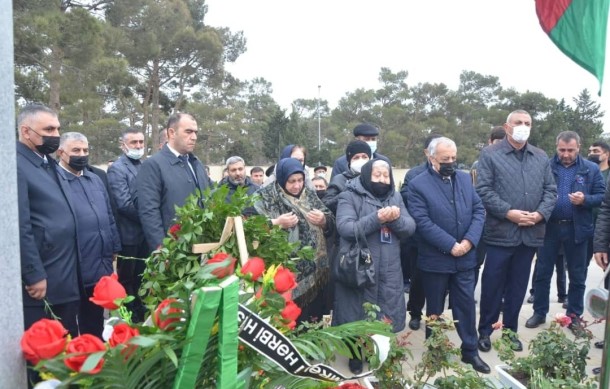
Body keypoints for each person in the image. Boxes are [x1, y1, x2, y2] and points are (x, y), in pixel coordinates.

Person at [476, 109, 557, 353]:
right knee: (492, 285)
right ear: (507, 126)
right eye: (518, 122)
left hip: (530, 234)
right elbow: (483, 190)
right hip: (501, 232)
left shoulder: (540, 156)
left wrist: (540, 214)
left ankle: (511, 331)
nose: (523, 126)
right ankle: (485, 331)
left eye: (527, 123)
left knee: (518, 287)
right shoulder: (490, 154)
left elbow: (550, 191)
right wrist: (508, 212)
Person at [407, 137, 489, 374]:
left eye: (454, 158)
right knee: (434, 310)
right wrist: (451, 245)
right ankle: (435, 352)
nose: (451, 162)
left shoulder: (464, 178)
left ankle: (470, 352)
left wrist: (469, 241)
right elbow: (422, 221)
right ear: (431, 158)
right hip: (436, 260)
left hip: (465, 258)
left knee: (465, 306)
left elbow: (478, 211)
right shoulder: (418, 184)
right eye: (445, 159)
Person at [333, 159, 416, 374]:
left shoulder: (395, 196)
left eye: (385, 175)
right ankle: (354, 354)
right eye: (377, 175)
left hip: (389, 269)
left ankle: (374, 351)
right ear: (367, 175)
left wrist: (395, 220)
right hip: (358, 267)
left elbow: (409, 227)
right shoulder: (349, 195)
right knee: (356, 311)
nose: (382, 179)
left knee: (384, 311)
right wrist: (377, 218)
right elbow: (346, 228)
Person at [526, 131, 604, 337]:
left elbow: (602, 196)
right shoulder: (546, 166)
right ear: (556, 146)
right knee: (542, 273)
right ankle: (539, 312)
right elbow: (535, 192)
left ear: (579, 147)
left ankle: (574, 317)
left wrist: (585, 199)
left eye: (570, 150)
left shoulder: (591, 168)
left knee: (577, 275)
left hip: (577, 228)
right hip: (549, 227)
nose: (566, 154)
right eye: (562, 150)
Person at [17, 104, 81, 340]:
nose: (56, 135)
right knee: (45, 351)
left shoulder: (47, 162)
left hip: (65, 275)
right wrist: (33, 273)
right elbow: (20, 224)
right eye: (49, 129)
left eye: (57, 129)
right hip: (43, 279)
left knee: (66, 344)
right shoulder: (16, 165)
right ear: (26, 132)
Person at [56, 132, 122, 339]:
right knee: (70, 322)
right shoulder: (55, 181)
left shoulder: (94, 179)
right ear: (61, 152)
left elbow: (108, 215)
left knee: (94, 318)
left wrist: (114, 246)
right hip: (73, 265)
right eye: (76, 150)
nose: (82, 155)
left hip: (99, 261)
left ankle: (95, 356)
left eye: (85, 150)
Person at [253, 158, 335, 322]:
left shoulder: (309, 195)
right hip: (284, 275)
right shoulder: (266, 197)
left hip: (316, 273)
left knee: (314, 320)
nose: (297, 186)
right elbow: (251, 228)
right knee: (289, 321)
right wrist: (277, 223)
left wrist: (324, 220)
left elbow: (331, 221)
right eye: (292, 181)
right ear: (282, 179)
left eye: (300, 180)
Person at [137, 113, 211, 252]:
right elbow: (149, 212)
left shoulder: (196, 163)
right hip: (173, 250)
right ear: (172, 133)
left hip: (201, 248)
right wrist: (161, 250)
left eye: (195, 132)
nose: (194, 137)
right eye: (188, 132)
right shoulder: (153, 165)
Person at [399, 133, 443, 331]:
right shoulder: (414, 174)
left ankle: (435, 315)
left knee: (440, 282)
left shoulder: (453, 173)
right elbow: (407, 198)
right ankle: (415, 313)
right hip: (419, 238)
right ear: (428, 152)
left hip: (444, 238)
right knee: (418, 278)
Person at [107, 127, 148, 322]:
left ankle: (142, 312)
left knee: (143, 277)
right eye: (134, 143)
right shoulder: (117, 168)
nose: (138, 146)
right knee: (127, 279)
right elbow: (123, 204)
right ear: (123, 145)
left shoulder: (144, 165)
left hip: (145, 235)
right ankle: (130, 316)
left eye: (141, 142)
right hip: (129, 234)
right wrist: (149, 218)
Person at [471, 126, 505, 288]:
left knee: (498, 265)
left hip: (501, 221)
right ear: (489, 142)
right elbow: (474, 192)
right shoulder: (479, 164)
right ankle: (468, 294)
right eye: (497, 142)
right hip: (481, 219)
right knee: (475, 261)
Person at [323, 140, 371, 214]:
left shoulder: (376, 179)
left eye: (364, 157)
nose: (361, 160)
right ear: (349, 161)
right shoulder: (339, 180)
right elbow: (326, 206)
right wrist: (347, 192)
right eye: (356, 157)